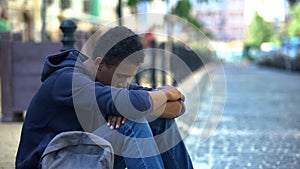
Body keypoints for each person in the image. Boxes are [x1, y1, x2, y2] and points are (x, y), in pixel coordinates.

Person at [16, 26, 194, 169]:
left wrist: (131, 106)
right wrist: (163, 94)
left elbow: (177, 107)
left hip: (84, 154)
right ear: (100, 64)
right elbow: (136, 103)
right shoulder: (67, 81)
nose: (125, 84)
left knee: (159, 121)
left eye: (129, 78)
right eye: (122, 76)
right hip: (52, 161)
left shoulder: (111, 82)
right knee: (133, 123)